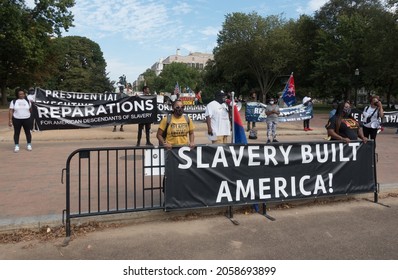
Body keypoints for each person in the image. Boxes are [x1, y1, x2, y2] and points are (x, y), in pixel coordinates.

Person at [8, 88, 33, 152]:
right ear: (17, 95)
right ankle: (16, 146)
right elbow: (11, 111)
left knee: (28, 132)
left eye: (23, 94)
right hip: (17, 119)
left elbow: (30, 110)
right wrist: (10, 120)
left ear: (24, 94)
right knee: (16, 133)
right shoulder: (13, 101)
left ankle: (29, 144)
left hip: (27, 119)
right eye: (20, 94)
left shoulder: (27, 101)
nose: (22, 95)